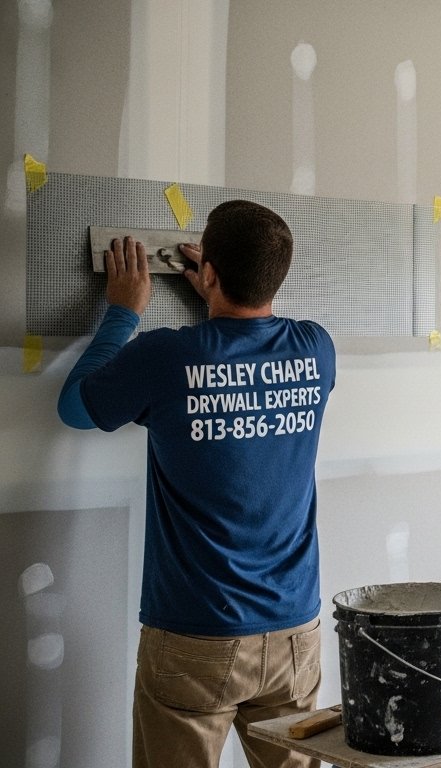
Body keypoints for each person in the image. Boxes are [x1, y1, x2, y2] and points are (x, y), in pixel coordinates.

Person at [57, 200, 336, 768]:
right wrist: (218, 297)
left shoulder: (166, 357)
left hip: (196, 636)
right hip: (294, 633)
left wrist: (123, 312)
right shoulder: (317, 350)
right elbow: (251, 361)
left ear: (207, 271)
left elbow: (76, 408)